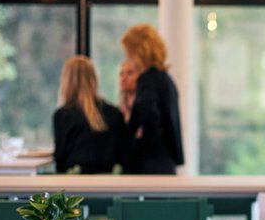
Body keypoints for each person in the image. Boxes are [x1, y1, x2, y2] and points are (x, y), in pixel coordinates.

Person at [120, 24, 183, 174]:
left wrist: (135, 144)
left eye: (130, 53)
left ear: (139, 52)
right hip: (166, 162)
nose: (129, 58)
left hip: (150, 164)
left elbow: (150, 117)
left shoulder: (148, 80)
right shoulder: (165, 79)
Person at [53, 55, 125, 174]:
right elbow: (122, 154)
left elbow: (60, 157)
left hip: (74, 182)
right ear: (94, 79)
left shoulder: (62, 115)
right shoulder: (114, 113)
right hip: (109, 183)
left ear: (66, 81)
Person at [118, 58, 139, 123]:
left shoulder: (145, 108)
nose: (123, 78)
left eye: (130, 73)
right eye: (121, 74)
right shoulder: (119, 109)